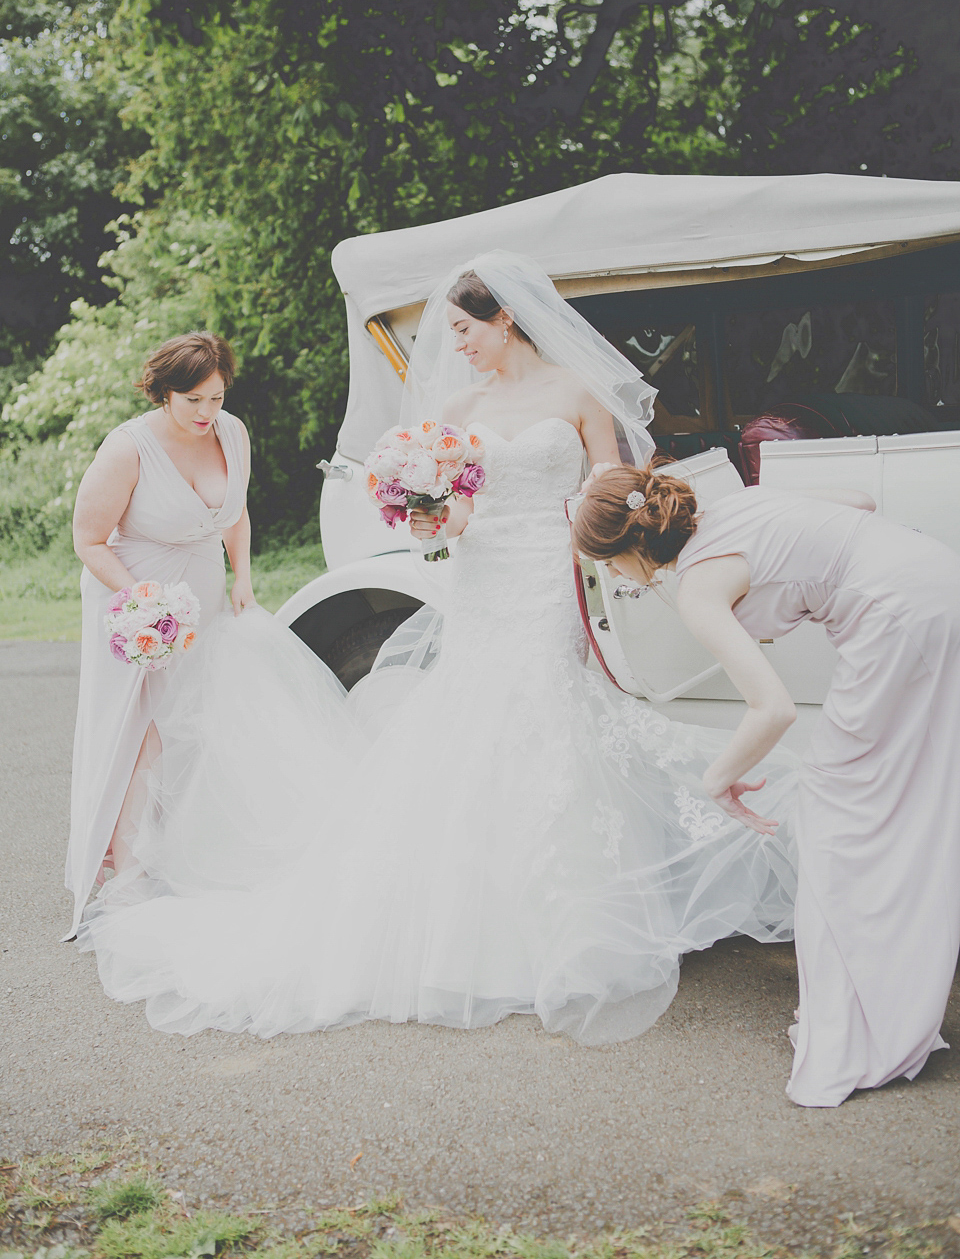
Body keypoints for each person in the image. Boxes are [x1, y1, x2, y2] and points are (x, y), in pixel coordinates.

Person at [75, 252, 801, 1044]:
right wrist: (427, 518)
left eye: (463, 328)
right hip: (489, 580)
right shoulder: (459, 406)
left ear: (506, 319)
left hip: (555, 578)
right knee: (481, 714)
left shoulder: (576, 394)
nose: (454, 344)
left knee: (555, 709)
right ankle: (476, 918)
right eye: (449, 331)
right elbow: (452, 517)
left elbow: (615, 491)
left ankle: (579, 901)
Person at [572, 463, 960, 1106]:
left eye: (608, 565)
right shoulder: (736, 504)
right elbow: (858, 500)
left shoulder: (698, 587)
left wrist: (716, 780)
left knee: (837, 815)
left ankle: (861, 1024)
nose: (613, 578)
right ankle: (885, 996)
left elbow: (772, 709)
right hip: (936, 575)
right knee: (897, 800)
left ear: (636, 548)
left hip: (898, 622)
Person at [65, 331, 253, 939]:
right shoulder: (129, 449)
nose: (206, 413)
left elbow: (237, 513)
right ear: (164, 393)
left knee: (192, 724)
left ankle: (180, 854)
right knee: (141, 732)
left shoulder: (233, 433)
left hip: (202, 591)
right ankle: (127, 871)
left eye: (216, 398)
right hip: (135, 600)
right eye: (193, 400)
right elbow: (89, 541)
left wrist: (243, 580)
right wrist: (139, 599)